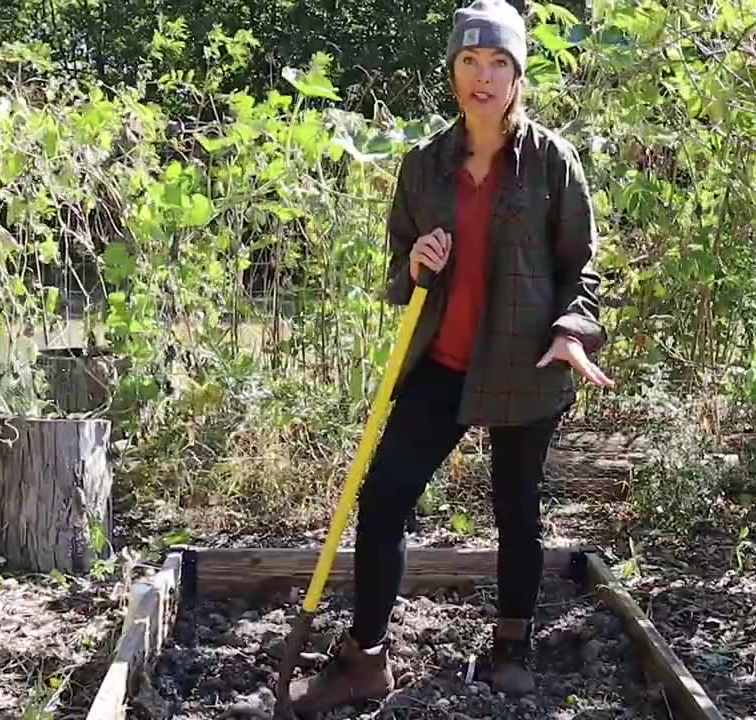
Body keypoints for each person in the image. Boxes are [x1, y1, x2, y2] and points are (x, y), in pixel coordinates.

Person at [288, 0, 612, 712]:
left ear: (519, 73)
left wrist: (570, 330)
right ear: (453, 70)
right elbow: (400, 265)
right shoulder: (424, 167)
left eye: (499, 63)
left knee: (516, 509)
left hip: (528, 364)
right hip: (443, 361)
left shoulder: (552, 162)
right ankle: (366, 656)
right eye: (470, 61)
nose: (484, 77)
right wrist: (417, 262)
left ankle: (511, 642)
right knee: (383, 500)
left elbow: (580, 267)